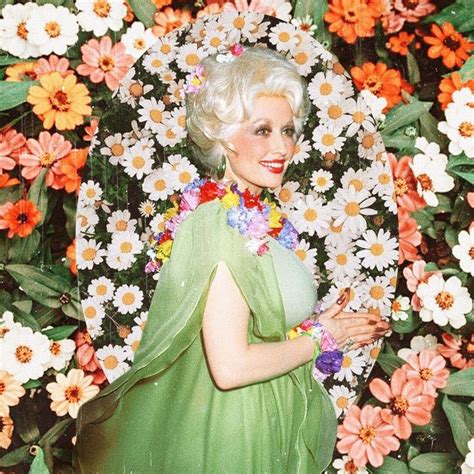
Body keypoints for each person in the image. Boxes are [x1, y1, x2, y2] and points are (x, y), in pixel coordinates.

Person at [74, 46, 389, 473]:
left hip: (258, 421)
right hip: (232, 435)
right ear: (223, 137)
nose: (282, 146)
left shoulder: (255, 218)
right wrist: (321, 339)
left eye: (289, 130)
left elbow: (251, 330)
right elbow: (229, 366)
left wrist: (314, 329)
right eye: (262, 130)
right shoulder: (218, 223)